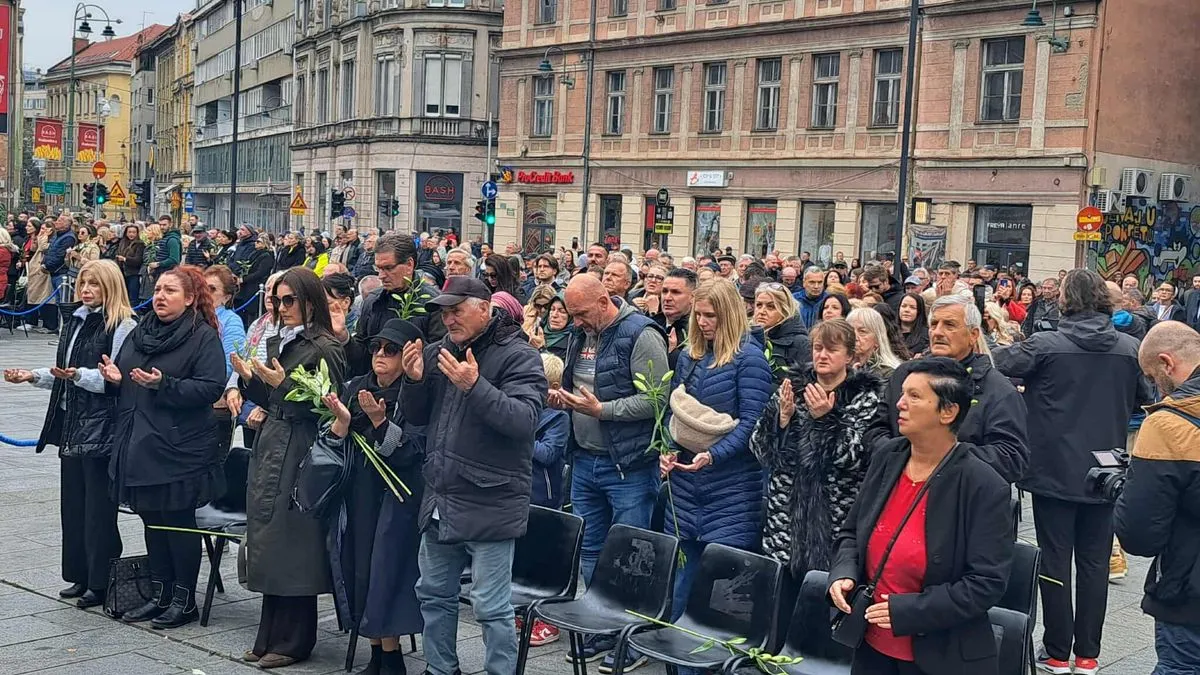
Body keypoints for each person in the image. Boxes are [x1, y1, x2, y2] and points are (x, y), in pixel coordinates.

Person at [993, 269, 1151, 675]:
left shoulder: (1046, 345)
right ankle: (1088, 654)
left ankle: (1058, 651)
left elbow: (998, 365)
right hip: (1108, 468)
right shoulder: (1129, 348)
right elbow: (1146, 397)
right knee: (1096, 564)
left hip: (1054, 470)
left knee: (1055, 561)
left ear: (1066, 301)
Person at [828, 358, 1013, 675]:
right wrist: (843, 572)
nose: (899, 404)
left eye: (914, 396)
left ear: (948, 412)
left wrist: (909, 611)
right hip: (871, 648)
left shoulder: (982, 485)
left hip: (940, 656)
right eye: (902, 394)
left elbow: (986, 584)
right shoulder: (889, 456)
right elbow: (851, 533)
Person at [399, 276, 546, 675]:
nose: (448, 320)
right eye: (444, 312)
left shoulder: (518, 356)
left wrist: (474, 385)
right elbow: (416, 418)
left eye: (456, 310)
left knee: (491, 607)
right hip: (442, 495)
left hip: (491, 499)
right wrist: (412, 383)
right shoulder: (439, 351)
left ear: (485, 307)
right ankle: (440, 668)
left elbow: (524, 421)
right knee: (432, 594)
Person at [230, 267, 346, 668]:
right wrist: (251, 381)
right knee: (267, 534)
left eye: (289, 300)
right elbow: (275, 396)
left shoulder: (326, 346)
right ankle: (268, 635)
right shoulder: (282, 339)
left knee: (292, 539)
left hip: (301, 447)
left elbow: (327, 403)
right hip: (274, 440)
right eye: (276, 301)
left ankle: (295, 639)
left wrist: (277, 386)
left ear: (310, 301)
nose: (281, 308)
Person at [4, 260, 135, 608]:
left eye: (94, 283)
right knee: (73, 506)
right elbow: (64, 370)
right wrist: (32, 376)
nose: (86, 289)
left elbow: (114, 379)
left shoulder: (121, 325)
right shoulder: (75, 319)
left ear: (110, 286)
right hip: (72, 423)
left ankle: (101, 579)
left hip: (101, 426)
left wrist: (79, 377)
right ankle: (79, 573)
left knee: (97, 510)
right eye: (83, 283)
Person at [657, 278, 772, 674]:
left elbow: (754, 426)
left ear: (729, 316)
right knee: (682, 590)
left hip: (732, 489)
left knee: (718, 597)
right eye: (700, 315)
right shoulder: (689, 356)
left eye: (711, 316)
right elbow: (678, 415)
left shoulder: (749, 359)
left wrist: (714, 454)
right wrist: (669, 450)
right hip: (688, 485)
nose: (704, 322)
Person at [103, 265, 227, 629]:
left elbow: (210, 388)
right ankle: (159, 593)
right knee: (152, 520)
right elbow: (127, 378)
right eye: (158, 289)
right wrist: (115, 380)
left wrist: (166, 385)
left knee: (177, 521)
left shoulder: (201, 337)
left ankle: (183, 599)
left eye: (170, 291)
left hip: (179, 448)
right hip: (139, 444)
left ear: (190, 299)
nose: (160, 296)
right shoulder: (141, 331)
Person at [555, 273, 668, 665]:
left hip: (628, 466)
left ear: (605, 300)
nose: (577, 322)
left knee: (632, 556)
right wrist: (564, 400)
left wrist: (602, 410)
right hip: (585, 459)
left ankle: (629, 637)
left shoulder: (641, 334)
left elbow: (656, 401)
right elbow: (581, 383)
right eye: (572, 315)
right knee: (590, 549)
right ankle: (602, 627)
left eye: (583, 313)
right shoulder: (581, 332)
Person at [317, 318, 425, 675]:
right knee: (359, 568)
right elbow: (332, 439)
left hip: (395, 498)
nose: (380, 355)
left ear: (408, 355)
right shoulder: (356, 387)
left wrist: (380, 424)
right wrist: (342, 422)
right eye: (377, 347)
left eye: (391, 350)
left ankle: (392, 660)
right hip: (358, 493)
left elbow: (411, 454)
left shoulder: (414, 394)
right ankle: (376, 654)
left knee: (385, 574)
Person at [751, 318, 886, 581]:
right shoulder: (793, 387)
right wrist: (781, 421)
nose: (822, 356)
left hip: (835, 517)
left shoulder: (864, 397)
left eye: (832, 350)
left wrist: (826, 421)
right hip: (786, 519)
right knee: (781, 599)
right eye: (817, 348)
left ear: (849, 356)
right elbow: (759, 449)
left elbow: (855, 458)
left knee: (824, 596)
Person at [1116, 322, 1200, 675]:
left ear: (1167, 363)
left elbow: (1140, 535)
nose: (1154, 387)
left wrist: (1124, 490)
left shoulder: (1170, 422)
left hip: (1190, 592)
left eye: (1152, 376)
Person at [880, 295, 1028, 484]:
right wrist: (902, 456)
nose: (938, 332)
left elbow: (1012, 458)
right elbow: (877, 430)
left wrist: (944, 456)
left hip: (961, 499)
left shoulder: (998, 390)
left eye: (949, 325)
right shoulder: (904, 375)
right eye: (934, 324)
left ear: (973, 335)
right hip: (899, 487)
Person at [338, 233, 445, 378]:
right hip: (375, 388)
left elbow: (438, 361)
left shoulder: (433, 304)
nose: (381, 276)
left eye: (388, 268)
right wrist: (344, 337)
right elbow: (362, 357)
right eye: (378, 268)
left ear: (409, 265)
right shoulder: (373, 300)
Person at [202, 265, 248, 459]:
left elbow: (231, 361)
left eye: (212, 289)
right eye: (203, 287)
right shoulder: (194, 316)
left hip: (213, 401)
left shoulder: (230, 321)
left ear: (227, 297)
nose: (206, 293)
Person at [753, 282, 811, 378]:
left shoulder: (801, 342)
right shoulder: (748, 338)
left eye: (771, 306)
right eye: (759, 305)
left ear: (785, 311)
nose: (762, 312)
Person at [847, 307, 903, 379]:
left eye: (862, 331)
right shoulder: (840, 369)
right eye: (850, 331)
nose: (854, 337)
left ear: (877, 339)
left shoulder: (888, 375)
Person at [659, 268, 695, 369]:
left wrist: (674, 354)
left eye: (675, 292)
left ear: (692, 297)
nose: (667, 298)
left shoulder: (698, 331)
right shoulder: (651, 324)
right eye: (665, 291)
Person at [115, 224, 146, 306]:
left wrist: (125, 259)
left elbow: (138, 260)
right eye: (129, 232)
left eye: (133, 232)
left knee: (133, 297)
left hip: (133, 273)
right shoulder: (122, 243)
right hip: (122, 273)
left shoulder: (140, 244)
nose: (131, 234)